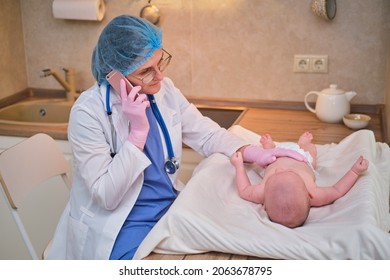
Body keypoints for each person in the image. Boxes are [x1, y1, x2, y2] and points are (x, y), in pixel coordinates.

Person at [46, 15, 307, 260]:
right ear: (113, 75)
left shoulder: (163, 90)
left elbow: (206, 133)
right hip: (121, 225)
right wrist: (137, 133)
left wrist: (254, 152)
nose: (160, 76)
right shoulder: (88, 113)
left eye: (160, 63)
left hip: (167, 208)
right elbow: (106, 196)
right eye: (146, 71)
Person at [230, 131, 369, 228]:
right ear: (309, 195)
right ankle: (304, 143)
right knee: (312, 150)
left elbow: (244, 190)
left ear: (264, 204)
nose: (279, 170)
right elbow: (337, 190)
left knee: (266, 155)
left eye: (275, 174)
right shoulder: (314, 194)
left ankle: (269, 146)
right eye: (290, 173)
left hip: (273, 157)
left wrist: (238, 166)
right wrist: (355, 171)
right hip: (304, 158)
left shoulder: (263, 193)